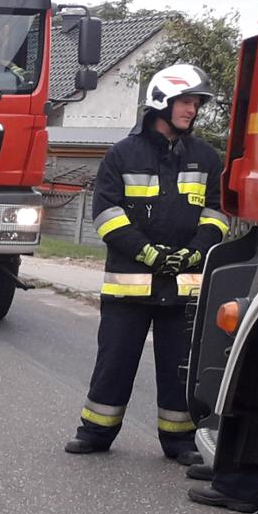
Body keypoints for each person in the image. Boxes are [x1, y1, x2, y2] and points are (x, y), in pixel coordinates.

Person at [63, 64, 228, 470]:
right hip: (129, 286)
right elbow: (107, 216)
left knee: (179, 368)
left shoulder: (207, 158)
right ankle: (95, 432)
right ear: (162, 102)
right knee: (115, 360)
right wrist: (149, 253)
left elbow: (217, 213)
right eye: (187, 102)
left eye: (196, 103)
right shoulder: (122, 153)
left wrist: (195, 252)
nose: (193, 110)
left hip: (183, 286)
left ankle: (179, 440)